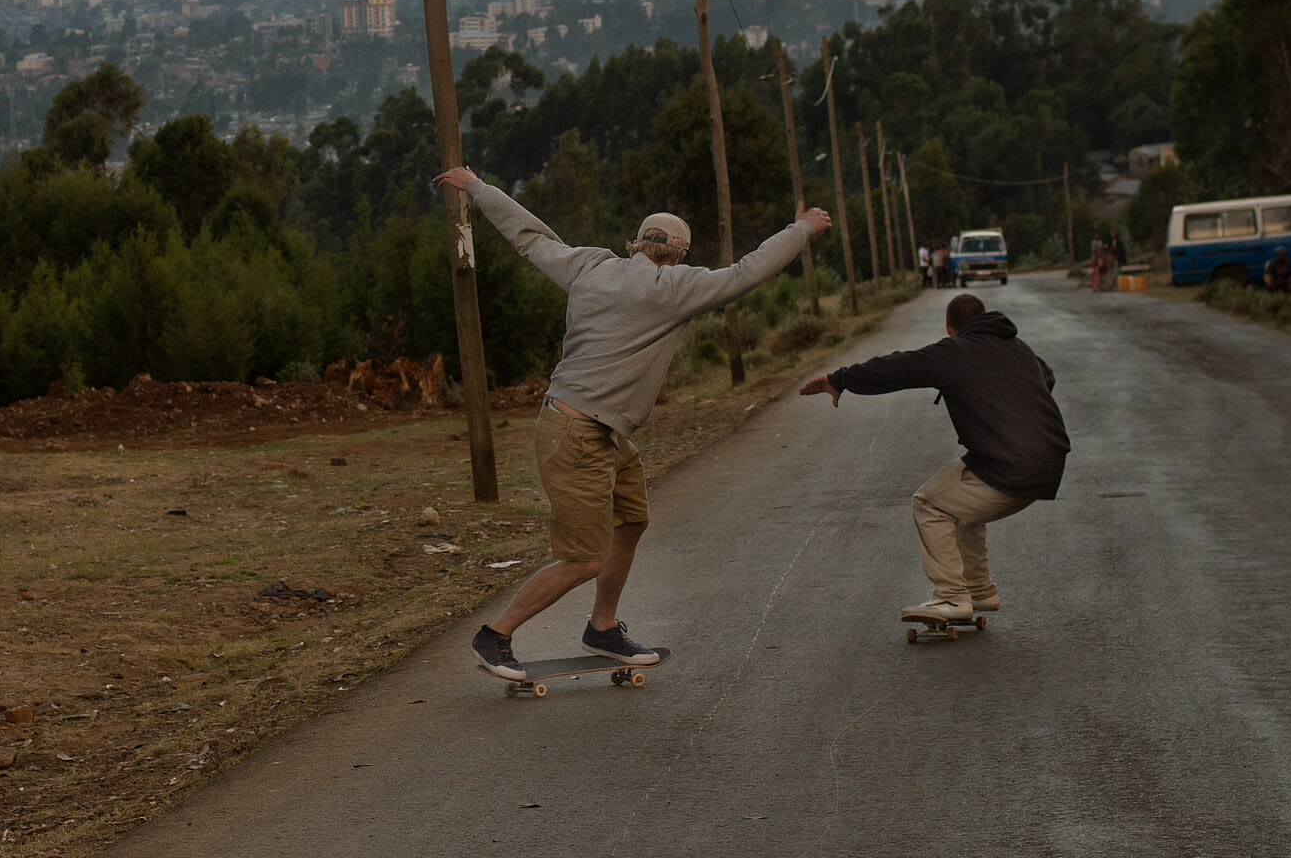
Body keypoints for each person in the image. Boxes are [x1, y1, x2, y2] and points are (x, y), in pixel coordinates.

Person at [438, 165, 830, 679]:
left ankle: (602, 628)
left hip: (597, 429)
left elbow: (531, 236)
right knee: (583, 559)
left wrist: (479, 187)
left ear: (638, 243)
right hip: (577, 434)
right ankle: (496, 636)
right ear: (679, 252)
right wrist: (801, 229)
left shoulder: (590, 266)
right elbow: (748, 272)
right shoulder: (675, 287)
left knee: (632, 518)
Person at [802, 292, 1071, 628]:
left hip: (1011, 466)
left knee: (929, 504)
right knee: (958, 495)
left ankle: (950, 596)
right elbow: (1047, 378)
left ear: (949, 328)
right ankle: (977, 590)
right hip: (1048, 464)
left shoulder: (955, 352)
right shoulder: (1020, 349)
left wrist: (840, 379)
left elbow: (898, 367)